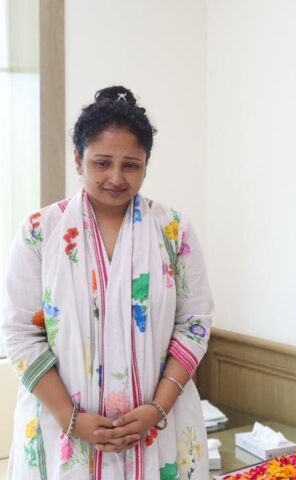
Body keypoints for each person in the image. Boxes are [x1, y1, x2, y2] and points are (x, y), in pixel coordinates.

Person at [2, 86, 214, 479]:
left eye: (130, 165)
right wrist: (70, 417)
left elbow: (195, 324)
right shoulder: (40, 232)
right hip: (62, 430)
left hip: (158, 428)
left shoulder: (173, 231)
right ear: (78, 159)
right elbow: (19, 333)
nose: (116, 178)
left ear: (146, 164)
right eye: (102, 163)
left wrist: (158, 408)